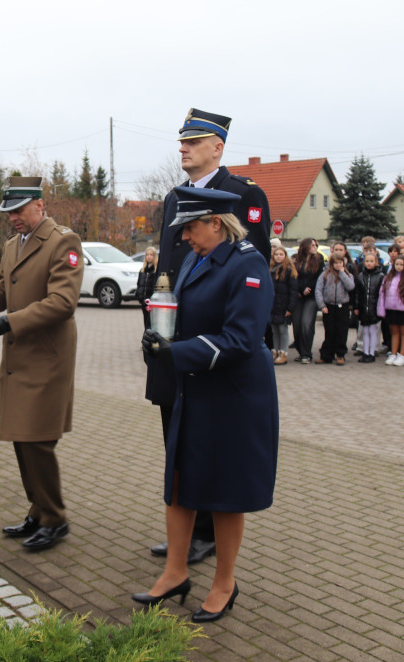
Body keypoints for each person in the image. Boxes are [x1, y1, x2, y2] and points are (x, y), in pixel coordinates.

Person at [137, 186, 278, 623]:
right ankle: (175, 573)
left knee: (224, 494)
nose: (185, 238)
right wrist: (160, 331)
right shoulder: (198, 260)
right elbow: (183, 314)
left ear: (217, 222)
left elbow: (240, 340)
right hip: (195, 389)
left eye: (192, 228)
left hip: (232, 395)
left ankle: (224, 583)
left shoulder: (248, 265)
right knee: (179, 482)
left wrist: (176, 352)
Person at [144, 108, 271, 564]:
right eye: (182, 142)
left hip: (209, 344)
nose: (183, 148)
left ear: (217, 147)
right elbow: (167, 267)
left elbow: (246, 268)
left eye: (193, 141)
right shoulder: (175, 198)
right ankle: (185, 531)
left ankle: (205, 534)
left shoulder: (241, 195)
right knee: (174, 433)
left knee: (209, 441)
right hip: (172, 339)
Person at [0, 176, 83, 552]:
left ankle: (56, 518)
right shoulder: (11, 244)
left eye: (19, 210)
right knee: (22, 436)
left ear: (39, 205)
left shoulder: (63, 241)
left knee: (37, 440)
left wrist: (9, 321)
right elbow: (3, 288)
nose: (13, 218)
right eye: (8, 212)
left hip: (47, 356)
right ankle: (38, 510)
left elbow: (63, 302)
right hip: (20, 354)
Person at [377, 255, 404, 366]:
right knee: (394, 331)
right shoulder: (388, 278)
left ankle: (402, 355)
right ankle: (394, 353)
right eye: (397, 264)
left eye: (401, 264)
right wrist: (382, 309)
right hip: (391, 309)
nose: (399, 266)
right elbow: (382, 295)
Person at [314, 252, 356, 365]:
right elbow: (318, 290)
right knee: (329, 331)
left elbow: (350, 286)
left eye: (340, 262)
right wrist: (322, 305)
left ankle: (340, 354)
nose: (337, 265)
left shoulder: (348, 275)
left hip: (343, 306)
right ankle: (327, 355)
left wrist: (342, 274)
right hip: (329, 306)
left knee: (341, 332)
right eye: (335, 263)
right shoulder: (325, 275)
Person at [291, 238, 322, 364]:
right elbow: (293, 277)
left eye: (315, 245)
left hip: (311, 297)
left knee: (306, 323)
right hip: (299, 296)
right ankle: (300, 350)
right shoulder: (297, 261)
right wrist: (300, 289)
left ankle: (306, 353)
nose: (314, 247)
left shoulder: (319, 261)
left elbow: (319, 279)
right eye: (312, 245)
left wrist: (309, 288)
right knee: (297, 325)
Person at [354, 250, 384, 363]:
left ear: (376, 262)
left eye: (372, 261)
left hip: (374, 308)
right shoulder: (361, 276)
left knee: (373, 330)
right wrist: (356, 307)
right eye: (367, 261)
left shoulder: (381, 276)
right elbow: (357, 293)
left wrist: (381, 308)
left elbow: (382, 294)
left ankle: (372, 353)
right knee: (365, 331)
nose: (369, 263)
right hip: (363, 308)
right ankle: (365, 352)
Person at [269, 245, 297, 365]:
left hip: (284, 305)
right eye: (276, 254)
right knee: (274, 329)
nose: (278, 257)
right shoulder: (271, 270)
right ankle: (275, 351)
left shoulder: (289, 270)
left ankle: (283, 353)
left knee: (282, 329)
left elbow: (293, 291)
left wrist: (290, 307)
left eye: (281, 254)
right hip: (273, 305)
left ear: (285, 256)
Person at [135, 246, 158, 331]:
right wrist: (138, 295)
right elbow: (139, 284)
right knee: (145, 321)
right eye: (147, 255)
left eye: (151, 255)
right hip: (144, 301)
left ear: (154, 256)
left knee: (151, 322)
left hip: (152, 302)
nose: (149, 256)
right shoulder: (142, 270)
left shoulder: (156, 270)